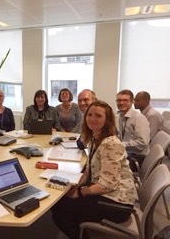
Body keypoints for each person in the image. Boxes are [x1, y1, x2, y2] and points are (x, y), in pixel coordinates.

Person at [51, 100, 136, 239]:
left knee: (60, 211)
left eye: (98, 115)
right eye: (89, 114)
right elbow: (89, 171)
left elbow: (107, 184)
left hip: (118, 202)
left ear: (107, 120)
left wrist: (80, 192)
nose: (92, 118)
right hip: (107, 193)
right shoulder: (95, 138)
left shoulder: (111, 143)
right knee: (61, 202)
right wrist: (76, 186)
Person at [116, 89, 150, 168]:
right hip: (127, 152)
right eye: (119, 100)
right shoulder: (121, 116)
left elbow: (142, 143)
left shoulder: (139, 118)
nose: (121, 103)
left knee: (105, 162)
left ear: (132, 102)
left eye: (125, 100)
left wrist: (121, 144)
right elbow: (123, 137)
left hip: (137, 158)